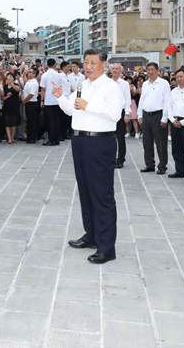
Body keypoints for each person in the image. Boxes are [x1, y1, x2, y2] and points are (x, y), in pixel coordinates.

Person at [55, 49, 122, 265]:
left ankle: (106, 248)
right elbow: (71, 109)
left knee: (101, 193)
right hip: (80, 140)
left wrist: (88, 106)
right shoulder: (82, 85)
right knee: (85, 190)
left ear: (103, 64)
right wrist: (60, 97)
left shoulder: (111, 86)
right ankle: (91, 235)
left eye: (93, 62)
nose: (88, 66)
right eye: (86, 62)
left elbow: (115, 114)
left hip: (100, 142)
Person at [137, 62, 170, 174]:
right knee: (146, 142)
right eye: (148, 70)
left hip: (158, 115)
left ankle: (162, 166)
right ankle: (149, 164)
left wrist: (164, 118)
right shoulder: (145, 84)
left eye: (152, 69)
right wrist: (140, 115)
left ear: (157, 70)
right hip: (146, 115)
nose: (150, 72)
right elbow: (142, 99)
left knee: (160, 142)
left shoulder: (164, 83)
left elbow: (167, 101)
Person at [111, 63, 131, 168]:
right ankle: (110, 158)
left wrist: (127, 113)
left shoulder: (124, 84)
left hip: (120, 112)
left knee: (120, 137)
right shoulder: (107, 83)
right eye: (113, 68)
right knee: (109, 137)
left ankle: (121, 159)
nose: (115, 70)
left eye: (117, 69)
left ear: (121, 71)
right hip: (109, 113)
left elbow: (127, 99)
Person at [40, 58, 63, 146]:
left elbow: (43, 89)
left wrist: (42, 100)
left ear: (47, 65)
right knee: (56, 121)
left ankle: (51, 140)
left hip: (48, 101)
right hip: (57, 100)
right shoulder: (58, 75)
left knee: (50, 121)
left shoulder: (44, 75)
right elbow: (60, 87)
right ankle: (56, 140)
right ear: (54, 65)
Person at [21, 68, 40, 143]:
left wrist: (24, 101)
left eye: (30, 72)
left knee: (32, 121)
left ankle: (32, 138)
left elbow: (31, 94)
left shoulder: (34, 82)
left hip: (32, 103)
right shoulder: (29, 81)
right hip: (28, 103)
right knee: (29, 120)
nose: (28, 73)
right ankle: (30, 137)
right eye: (28, 72)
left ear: (34, 74)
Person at [1, 73, 21, 144]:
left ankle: (12, 138)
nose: (9, 78)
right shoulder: (5, 86)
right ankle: (9, 138)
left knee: (13, 123)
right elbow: (2, 98)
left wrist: (12, 84)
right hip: (7, 107)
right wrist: (7, 96)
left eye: (10, 77)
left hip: (14, 106)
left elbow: (18, 90)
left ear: (13, 78)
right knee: (7, 123)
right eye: (8, 77)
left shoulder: (16, 85)